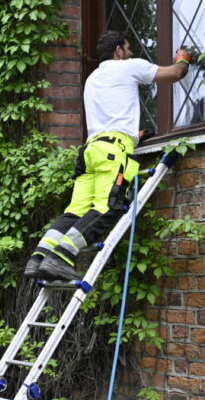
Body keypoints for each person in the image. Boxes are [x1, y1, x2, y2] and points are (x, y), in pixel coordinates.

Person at [24, 31, 191, 281]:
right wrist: (184, 58)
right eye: (129, 48)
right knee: (108, 207)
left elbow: (111, 117)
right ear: (118, 51)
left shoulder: (93, 79)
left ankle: (38, 258)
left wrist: (136, 135)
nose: (132, 53)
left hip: (90, 151)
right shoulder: (128, 67)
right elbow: (175, 74)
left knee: (76, 210)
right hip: (112, 152)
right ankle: (59, 258)